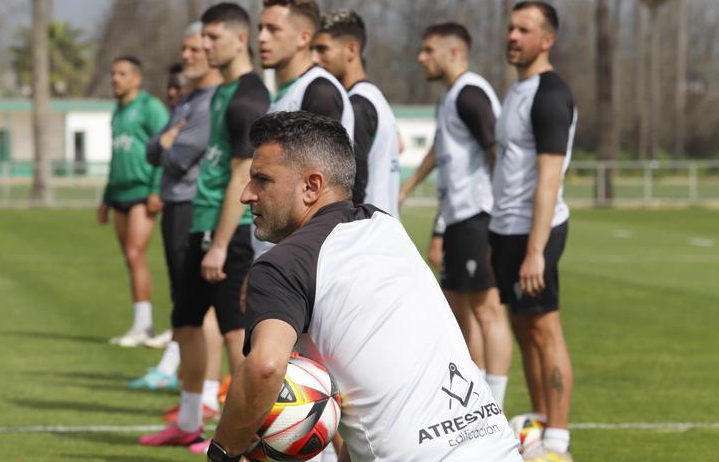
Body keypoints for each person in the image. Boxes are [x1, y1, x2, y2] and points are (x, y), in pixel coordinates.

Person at [204, 111, 520, 462]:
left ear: (312, 186)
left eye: (261, 180)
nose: (247, 194)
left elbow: (265, 366)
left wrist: (223, 452)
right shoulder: (386, 228)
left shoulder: (284, 264)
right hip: (498, 448)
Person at [138, 2, 269, 452]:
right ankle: (190, 420)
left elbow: (241, 174)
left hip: (224, 231)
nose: (205, 45)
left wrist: (221, 243)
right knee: (186, 323)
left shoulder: (249, 97)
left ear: (240, 39)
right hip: (200, 222)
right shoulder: (220, 93)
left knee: (235, 330)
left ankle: (248, 434)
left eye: (213, 37)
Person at [399, 22, 513, 409]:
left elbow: (496, 147)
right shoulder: (449, 98)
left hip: (479, 216)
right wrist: (409, 187)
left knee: (486, 310)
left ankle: (493, 405)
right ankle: (474, 393)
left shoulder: (471, 94)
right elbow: (440, 149)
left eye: (428, 50)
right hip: (458, 218)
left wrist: (502, 214)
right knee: (456, 308)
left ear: (453, 52)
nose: (421, 57)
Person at [490, 1, 577, 462]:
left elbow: (548, 177)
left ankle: (558, 442)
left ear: (547, 40)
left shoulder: (550, 94)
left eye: (524, 30)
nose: (513, 36)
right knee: (524, 331)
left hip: (535, 233)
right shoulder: (516, 90)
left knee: (545, 330)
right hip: (506, 231)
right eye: (510, 27)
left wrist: (536, 250)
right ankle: (541, 423)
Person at [128, 23, 225, 411]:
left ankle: (206, 394)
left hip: (193, 207)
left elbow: (179, 156)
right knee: (184, 303)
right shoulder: (187, 101)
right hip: (177, 206)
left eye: (192, 48)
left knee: (204, 306)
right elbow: (153, 150)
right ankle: (192, 395)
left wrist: (166, 145)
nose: (185, 55)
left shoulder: (209, 102)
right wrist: (165, 144)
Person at [254, 0, 355, 259]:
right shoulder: (286, 92)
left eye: (273, 29)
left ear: (304, 37)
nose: (261, 37)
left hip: (308, 256)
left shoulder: (319, 92)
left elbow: (319, 192)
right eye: (260, 28)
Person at [97, 55, 170, 347]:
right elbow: (116, 157)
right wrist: (105, 197)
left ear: (137, 78)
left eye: (123, 73)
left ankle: (144, 326)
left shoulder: (150, 108)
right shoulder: (117, 111)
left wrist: (156, 189)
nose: (116, 79)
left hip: (143, 192)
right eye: (113, 73)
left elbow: (165, 148)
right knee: (130, 258)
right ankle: (141, 322)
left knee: (135, 254)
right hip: (120, 195)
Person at [312, 9, 400, 217]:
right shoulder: (374, 97)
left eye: (323, 49)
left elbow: (354, 185)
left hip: (367, 233)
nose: (315, 58)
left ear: (351, 49)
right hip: (383, 226)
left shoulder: (357, 106)